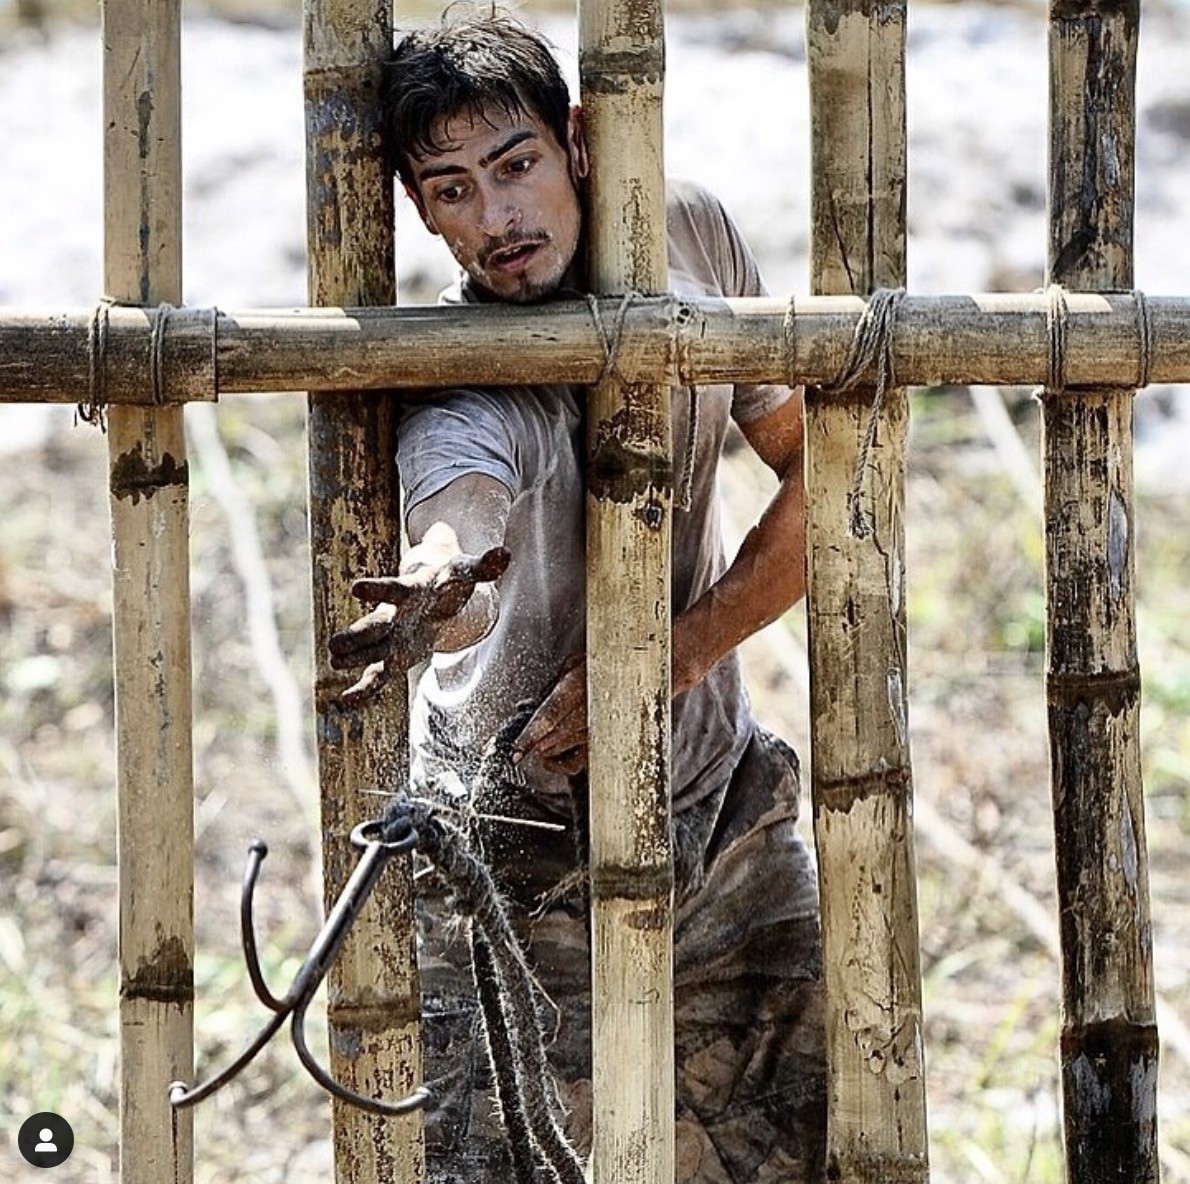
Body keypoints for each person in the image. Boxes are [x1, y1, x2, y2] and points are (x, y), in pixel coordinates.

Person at [330, 10, 826, 1183]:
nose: (494, 220)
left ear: (579, 141)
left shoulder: (690, 239)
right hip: (510, 856)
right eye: (449, 190)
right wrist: (440, 582)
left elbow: (830, 480)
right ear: (417, 208)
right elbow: (459, 509)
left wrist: (671, 656)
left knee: (800, 1149)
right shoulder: (462, 378)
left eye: (514, 168)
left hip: (718, 818)